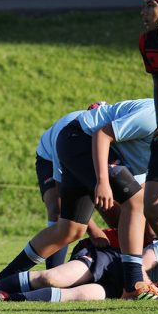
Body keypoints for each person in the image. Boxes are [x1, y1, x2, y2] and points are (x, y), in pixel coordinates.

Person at [0, 99, 158, 300]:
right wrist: (102, 183)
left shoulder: (143, 134)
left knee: (70, 229)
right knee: (63, 210)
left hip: (88, 149)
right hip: (72, 145)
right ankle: (132, 284)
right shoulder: (150, 117)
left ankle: (2, 280)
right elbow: (102, 135)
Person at [0, 229, 158, 302]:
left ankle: (6, 298)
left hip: (121, 289)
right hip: (111, 259)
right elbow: (141, 264)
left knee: (77, 296)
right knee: (52, 278)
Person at [35, 104, 116, 269]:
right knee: (57, 209)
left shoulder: (110, 134)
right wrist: (93, 231)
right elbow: (66, 195)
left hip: (84, 152)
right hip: (50, 156)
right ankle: (53, 270)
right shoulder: (70, 134)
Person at [140, 0, 158, 279]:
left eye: (150, 6)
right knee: (153, 210)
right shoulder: (147, 42)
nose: (144, 12)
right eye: (144, 5)